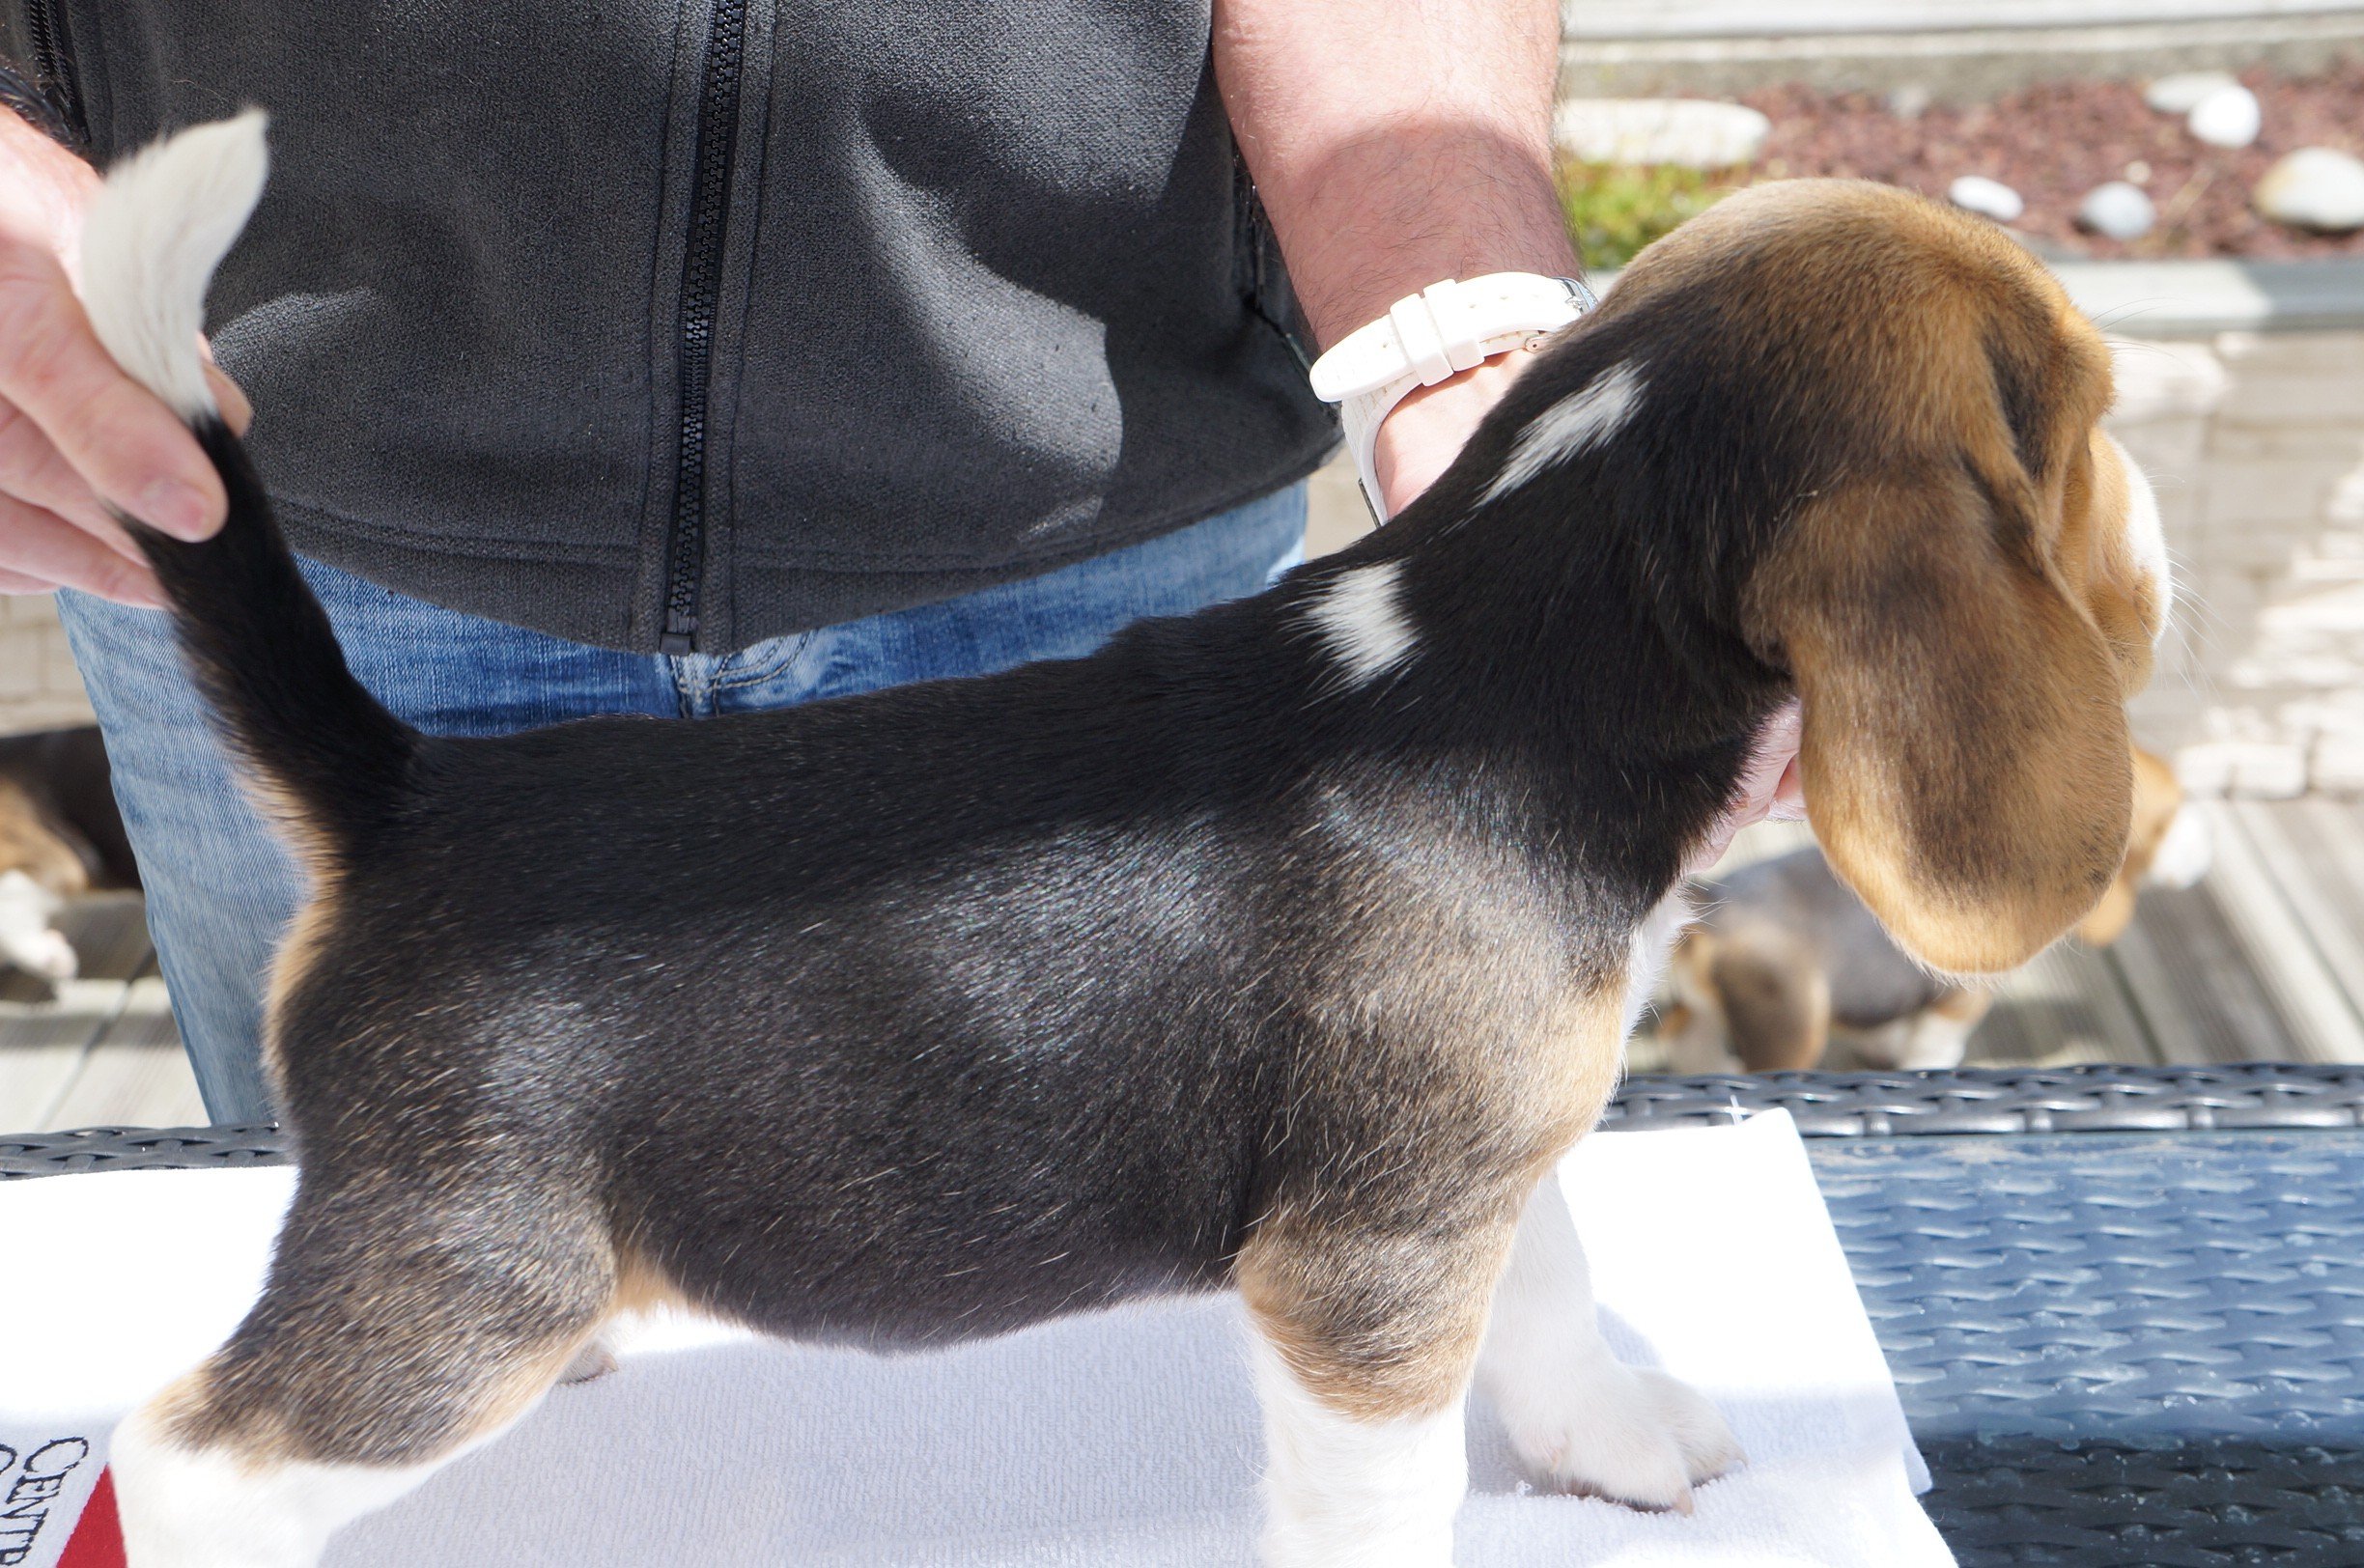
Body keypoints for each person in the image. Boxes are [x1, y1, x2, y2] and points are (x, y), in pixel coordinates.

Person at [0, 1, 1583, 1123]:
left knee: (1078, 1427)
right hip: (286, 547)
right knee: (377, 1408)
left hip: (1101, 591)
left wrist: (1453, 343)